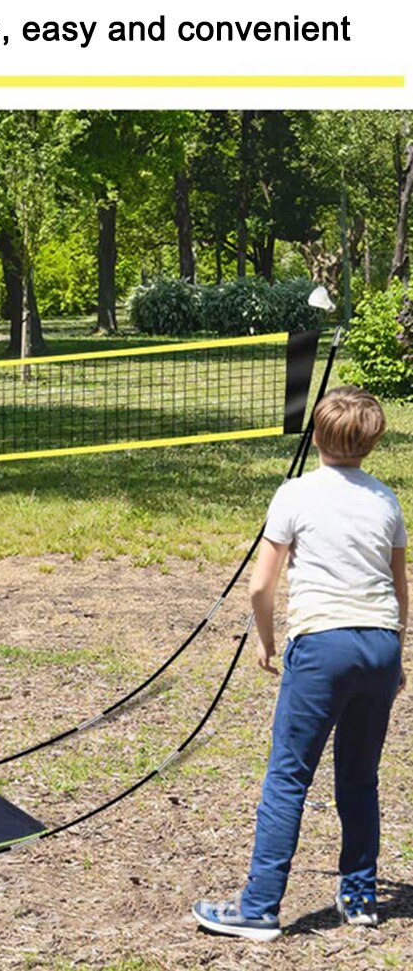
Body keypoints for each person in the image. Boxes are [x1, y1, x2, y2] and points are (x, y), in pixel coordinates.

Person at [193, 386, 408, 941]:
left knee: (288, 776)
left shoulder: (294, 494)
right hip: (379, 645)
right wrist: (398, 654)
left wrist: (265, 641)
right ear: (373, 442)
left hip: (322, 645)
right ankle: (359, 896)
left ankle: (259, 906)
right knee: (359, 777)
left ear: (316, 435)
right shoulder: (387, 500)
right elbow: (399, 587)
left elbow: (261, 585)